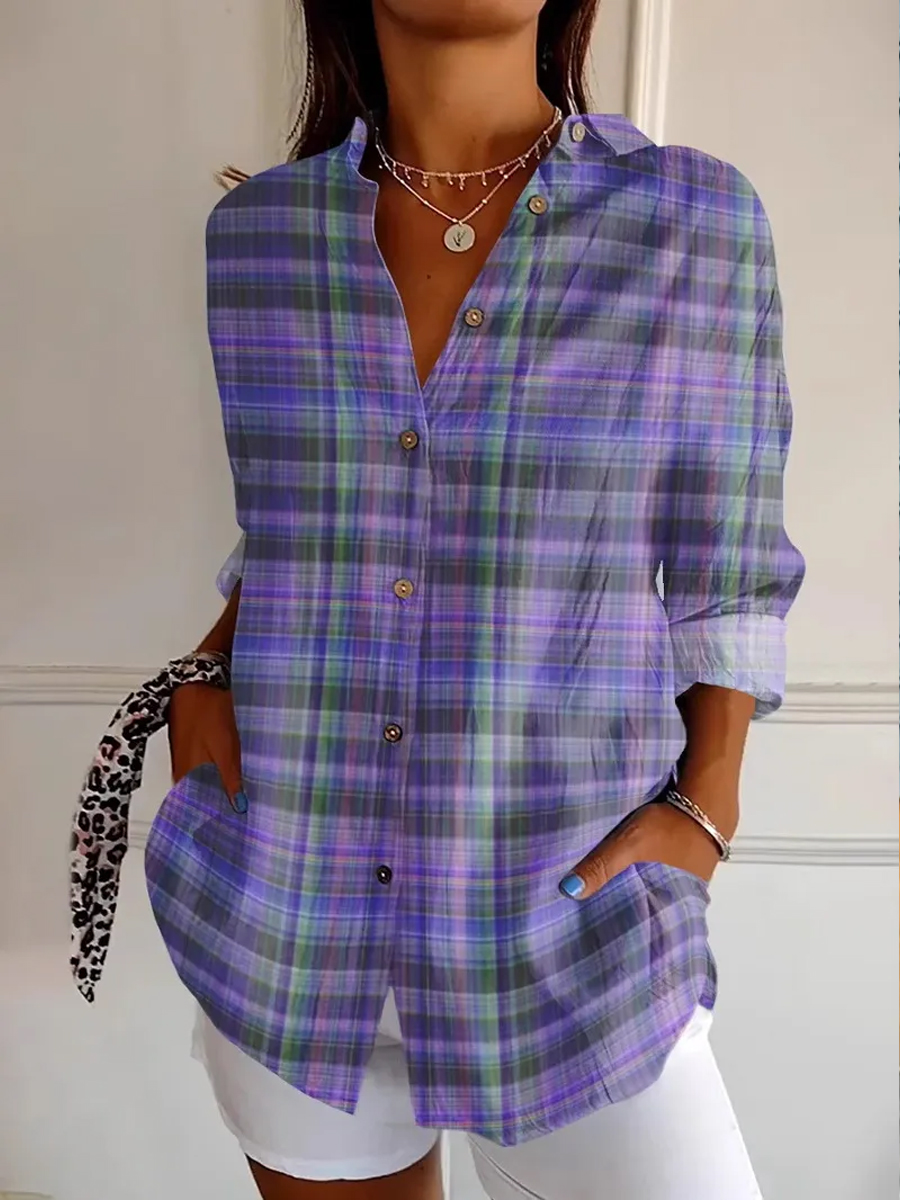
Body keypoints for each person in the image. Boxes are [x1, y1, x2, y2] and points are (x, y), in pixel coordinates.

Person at [152, 1, 806, 1196]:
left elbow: (733, 560)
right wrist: (204, 674)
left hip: (569, 933)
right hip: (287, 921)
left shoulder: (694, 222)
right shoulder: (256, 239)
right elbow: (294, 530)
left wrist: (708, 805)